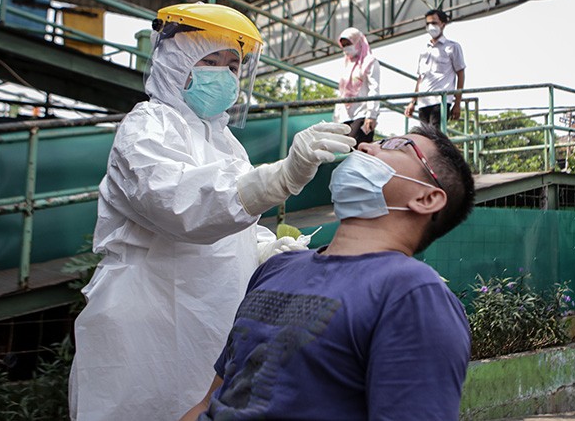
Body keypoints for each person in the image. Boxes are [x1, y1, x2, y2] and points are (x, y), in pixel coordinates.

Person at [68, 3, 356, 421]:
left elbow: (233, 223)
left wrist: (267, 250)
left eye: (232, 65)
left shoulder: (225, 142)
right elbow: (179, 205)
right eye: (210, 61)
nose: (223, 74)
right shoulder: (147, 126)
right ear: (175, 63)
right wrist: (280, 176)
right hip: (150, 321)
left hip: (213, 317)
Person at [181, 123, 476, 421]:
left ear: (426, 198)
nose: (365, 146)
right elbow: (209, 403)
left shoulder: (413, 294)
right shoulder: (277, 267)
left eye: (395, 145)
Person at [403, 9, 466, 129]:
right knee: (424, 135)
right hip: (423, 102)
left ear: (443, 24)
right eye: (428, 24)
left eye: (434, 23)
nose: (431, 26)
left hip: (441, 101)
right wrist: (412, 102)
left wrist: (457, 103)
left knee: (435, 134)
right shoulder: (424, 50)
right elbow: (420, 79)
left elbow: (461, 74)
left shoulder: (452, 47)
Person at [333, 27, 381, 146]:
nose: (346, 48)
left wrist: (372, 115)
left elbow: (374, 89)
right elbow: (342, 91)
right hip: (345, 115)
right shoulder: (345, 64)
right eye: (344, 45)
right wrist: (336, 116)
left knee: (356, 147)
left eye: (349, 44)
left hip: (362, 113)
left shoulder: (369, 62)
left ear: (358, 42)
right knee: (345, 149)